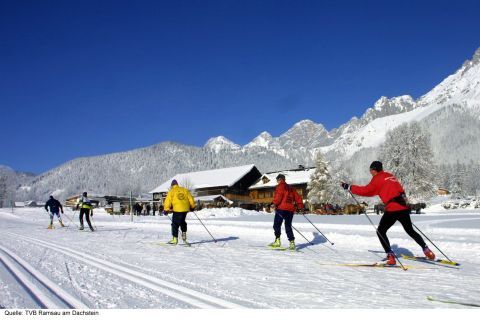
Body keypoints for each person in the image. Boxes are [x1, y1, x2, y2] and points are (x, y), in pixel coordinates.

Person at [341, 161, 435, 265]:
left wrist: (349, 187)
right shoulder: (390, 176)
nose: (370, 173)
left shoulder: (377, 179)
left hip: (392, 209)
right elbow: (401, 191)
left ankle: (390, 256)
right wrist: (405, 202)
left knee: (380, 231)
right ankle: (427, 250)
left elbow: (366, 191)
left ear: (373, 170)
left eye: (370, 171)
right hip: (403, 207)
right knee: (410, 230)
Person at [269, 174, 304, 250]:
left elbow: (279, 196)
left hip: (281, 208)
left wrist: (273, 204)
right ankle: (292, 242)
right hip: (290, 210)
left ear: (280, 179)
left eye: (277, 180)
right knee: (288, 225)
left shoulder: (280, 186)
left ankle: (277, 241)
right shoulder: (291, 188)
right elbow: (298, 197)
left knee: (276, 225)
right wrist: (300, 206)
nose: (277, 181)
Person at [162, 180, 195, 245]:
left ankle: (175, 239)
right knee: (182, 222)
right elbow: (191, 199)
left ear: (172, 185)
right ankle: (184, 235)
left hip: (177, 210)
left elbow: (167, 201)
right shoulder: (185, 190)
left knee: (175, 224)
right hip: (185, 209)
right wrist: (192, 207)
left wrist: (166, 210)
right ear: (177, 184)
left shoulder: (171, 191)